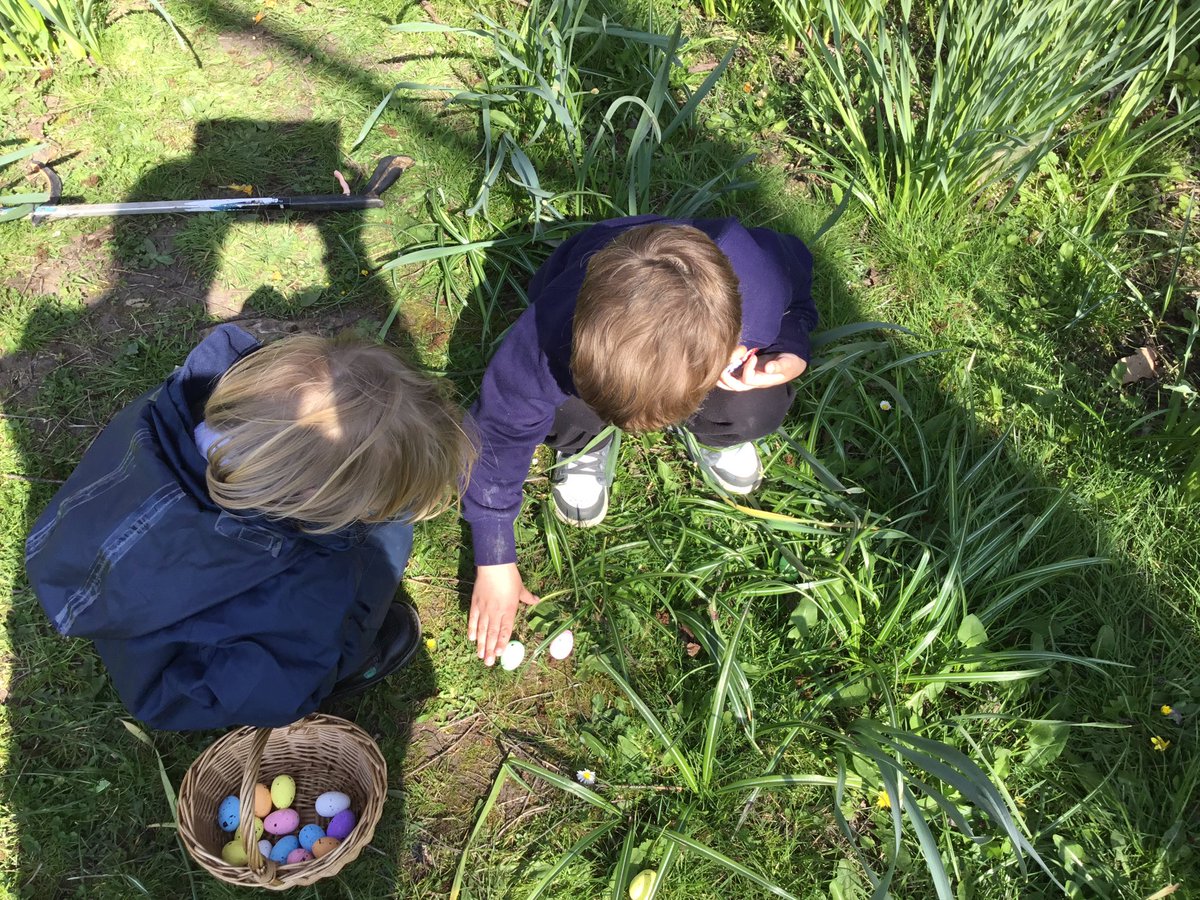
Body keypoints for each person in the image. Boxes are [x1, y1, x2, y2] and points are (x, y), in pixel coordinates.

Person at [25, 325, 474, 730]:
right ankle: (354, 663)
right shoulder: (301, 585)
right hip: (181, 687)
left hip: (127, 601)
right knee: (373, 558)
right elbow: (279, 689)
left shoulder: (166, 420)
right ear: (313, 499)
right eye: (375, 502)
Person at [464, 216, 818, 665]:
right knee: (555, 406)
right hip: (590, 340)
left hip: (700, 343)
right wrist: (494, 555)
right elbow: (500, 425)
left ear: (734, 345)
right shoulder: (554, 330)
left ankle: (715, 434)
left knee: (757, 405)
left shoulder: (762, 279)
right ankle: (580, 442)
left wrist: (791, 348)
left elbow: (799, 291)